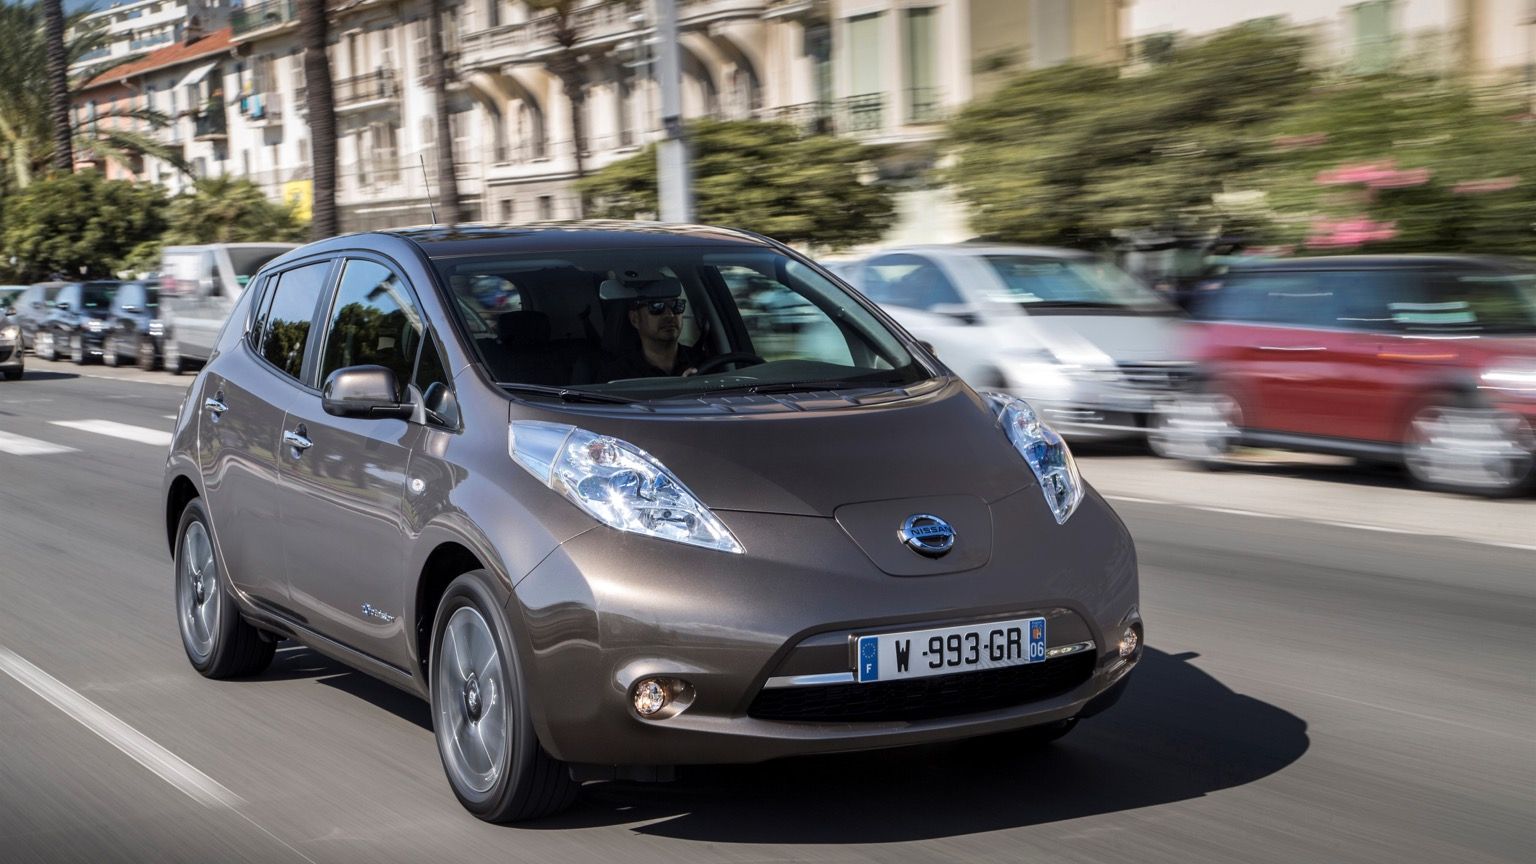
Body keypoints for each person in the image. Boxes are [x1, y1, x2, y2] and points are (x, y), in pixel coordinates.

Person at [600, 295, 706, 379]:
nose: (670, 315)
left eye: (676, 305)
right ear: (635, 319)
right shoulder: (617, 376)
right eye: (656, 306)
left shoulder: (703, 363)